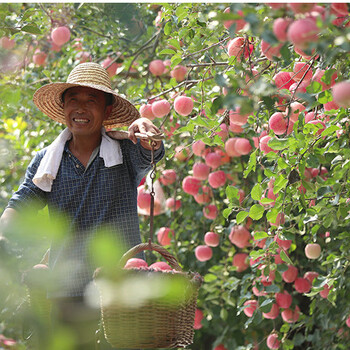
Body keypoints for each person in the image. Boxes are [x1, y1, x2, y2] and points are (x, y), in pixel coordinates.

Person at [0, 62, 164, 349]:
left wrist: (144, 129)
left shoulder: (124, 152)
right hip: (67, 292)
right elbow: (22, 200)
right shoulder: (46, 163)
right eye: (73, 99)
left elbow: (151, 153)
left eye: (92, 101)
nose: (81, 108)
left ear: (107, 111)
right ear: (63, 108)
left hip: (121, 289)